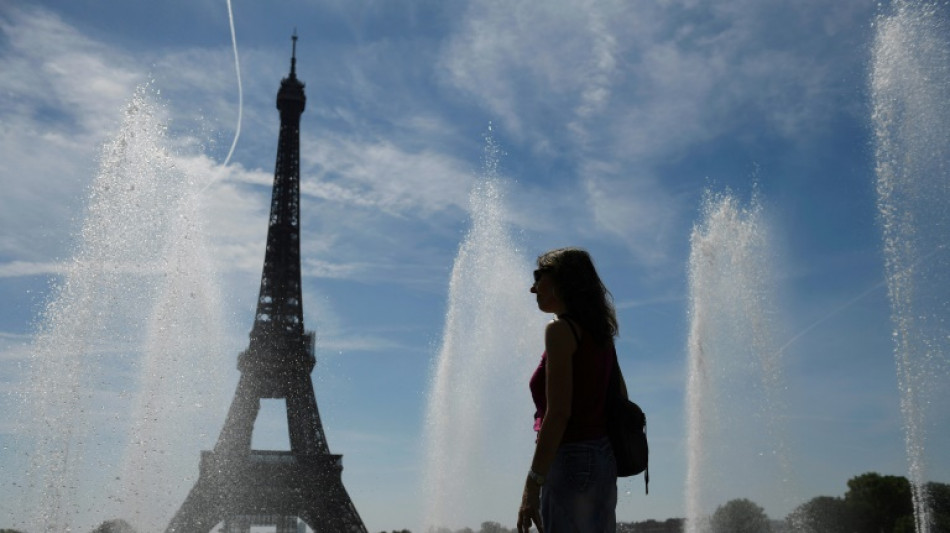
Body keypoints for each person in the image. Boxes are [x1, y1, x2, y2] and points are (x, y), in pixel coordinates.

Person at [518, 247, 620, 533]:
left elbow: (559, 412)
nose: (532, 287)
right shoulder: (601, 334)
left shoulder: (560, 331)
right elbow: (619, 398)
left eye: (539, 276)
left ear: (562, 280)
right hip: (603, 459)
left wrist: (532, 482)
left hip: (570, 458)